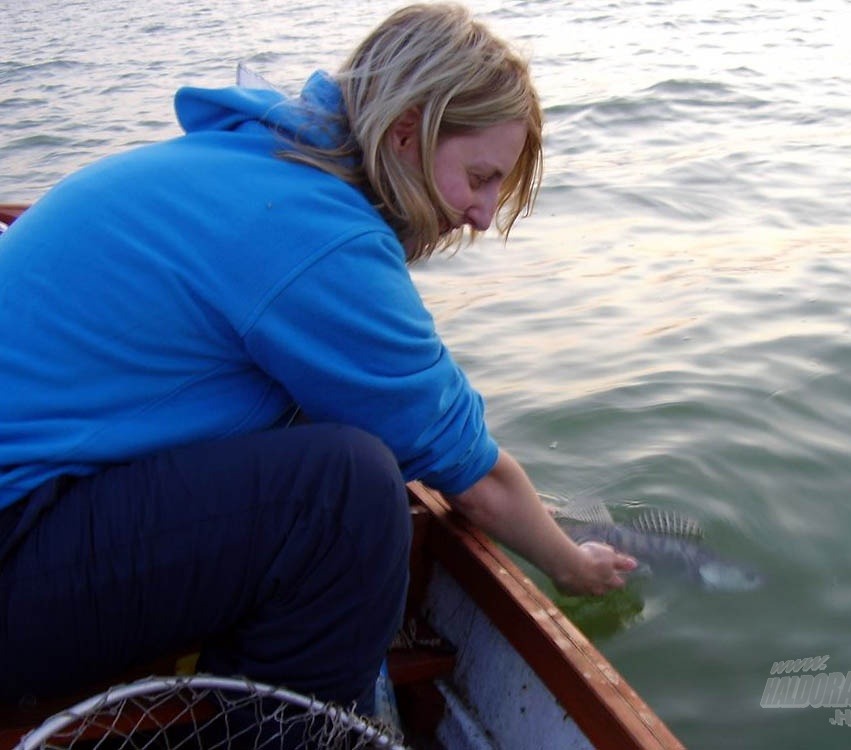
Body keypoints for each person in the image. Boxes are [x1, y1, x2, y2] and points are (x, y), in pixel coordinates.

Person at [0, 3, 636, 716]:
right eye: (480, 176)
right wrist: (569, 564)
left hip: (39, 505)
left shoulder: (254, 157)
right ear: (407, 135)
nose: (485, 215)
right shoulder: (313, 233)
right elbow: (476, 478)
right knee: (345, 495)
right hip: (14, 553)